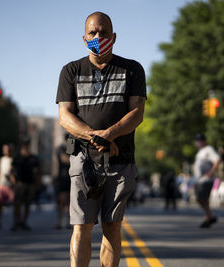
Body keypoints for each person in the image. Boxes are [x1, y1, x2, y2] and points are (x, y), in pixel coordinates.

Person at [56, 11, 146, 267]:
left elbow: (137, 113)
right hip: (84, 162)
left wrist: (110, 135)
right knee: (81, 227)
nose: (98, 37)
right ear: (84, 38)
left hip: (121, 161)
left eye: (104, 32)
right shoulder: (70, 71)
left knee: (112, 227)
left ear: (114, 37)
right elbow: (65, 116)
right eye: (93, 33)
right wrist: (98, 138)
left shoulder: (132, 69)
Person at [11, 138, 41, 231]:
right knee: (17, 204)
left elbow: (38, 172)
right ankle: (17, 222)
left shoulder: (33, 157)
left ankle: (24, 222)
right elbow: (12, 170)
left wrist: (37, 183)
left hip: (30, 183)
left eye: (27, 144)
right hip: (19, 183)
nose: (26, 146)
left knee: (27, 204)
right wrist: (14, 182)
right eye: (25, 144)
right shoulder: (17, 157)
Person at [193, 133, 221, 228]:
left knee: (201, 198)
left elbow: (217, 160)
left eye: (200, 140)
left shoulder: (208, 149)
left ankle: (208, 217)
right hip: (200, 180)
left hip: (206, 180)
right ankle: (209, 217)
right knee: (202, 199)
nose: (198, 142)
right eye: (197, 140)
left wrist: (211, 173)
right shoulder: (200, 151)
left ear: (204, 141)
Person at [0, 144, 15, 229]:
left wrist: (13, 181)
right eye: (4, 149)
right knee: (0, 203)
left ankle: (15, 222)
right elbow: (0, 171)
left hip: (10, 185)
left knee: (14, 203)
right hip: (2, 184)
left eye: (7, 149)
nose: (6, 151)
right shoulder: (2, 159)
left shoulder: (13, 159)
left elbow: (14, 172)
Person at [54, 137, 71, 230]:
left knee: (69, 202)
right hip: (63, 177)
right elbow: (64, 159)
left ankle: (68, 222)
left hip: (70, 177)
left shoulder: (71, 147)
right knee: (61, 202)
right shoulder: (61, 148)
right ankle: (59, 222)